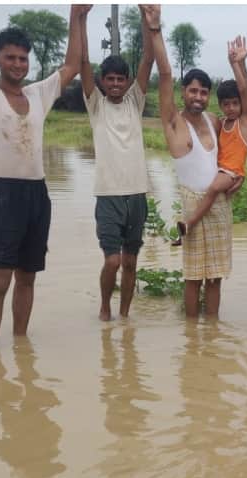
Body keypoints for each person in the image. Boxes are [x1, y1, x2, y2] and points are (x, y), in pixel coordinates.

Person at [0, 4, 87, 349]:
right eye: (11, 57)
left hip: (37, 194)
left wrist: (76, 15)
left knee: (28, 277)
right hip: (4, 193)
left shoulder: (38, 93)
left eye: (23, 58)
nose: (18, 64)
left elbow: (72, 66)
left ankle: (21, 346)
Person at [143, 4, 232, 317]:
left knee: (216, 277)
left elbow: (231, 156)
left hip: (219, 205)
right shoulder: (173, 122)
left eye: (204, 92)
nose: (198, 96)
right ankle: (193, 340)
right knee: (193, 277)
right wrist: (155, 30)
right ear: (184, 92)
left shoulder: (213, 120)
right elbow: (165, 74)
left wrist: (237, 180)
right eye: (193, 91)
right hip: (192, 206)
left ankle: (214, 332)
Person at [80, 9, 154, 321]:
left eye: (119, 79)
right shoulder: (95, 104)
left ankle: (124, 315)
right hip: (108, 196)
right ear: (102, 81)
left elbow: (148, 60)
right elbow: (82, 64)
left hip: (137, 194)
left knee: (131, 263)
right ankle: (105, 307)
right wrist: (79, 19)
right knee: (112, 261)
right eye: (109, 79)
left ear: (126, 82)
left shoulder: (135, 101)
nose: (114, 84)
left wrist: (147, 20)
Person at [175, 36, 247, 241]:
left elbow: (245, 90)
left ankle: (188, 224)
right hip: (222, 170)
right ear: (219, 105)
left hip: (230, 172)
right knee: (212, 194)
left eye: (235, 104)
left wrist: (235, 63)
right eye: (226, 104)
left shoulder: (243, 123)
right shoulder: (220, 122)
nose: (231, 108)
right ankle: (190, 226)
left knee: (211, 191)